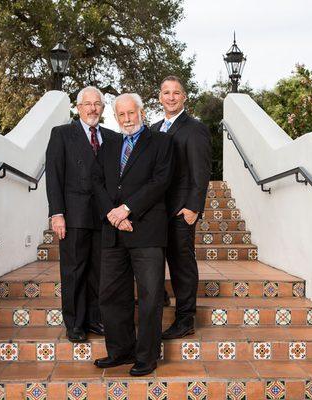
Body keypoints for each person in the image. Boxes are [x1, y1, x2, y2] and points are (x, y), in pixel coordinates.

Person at [92, 93, 173, 376]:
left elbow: (160, 181)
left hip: (147, 231)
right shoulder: (109, 145)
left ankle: (147, 357)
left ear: (142, 112)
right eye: (121, 115)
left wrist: (127, 209)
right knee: (111, 295)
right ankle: (120, 351)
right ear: (115, 117)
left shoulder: (161, 142)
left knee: (150, 296)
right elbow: (97, 182)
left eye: (131, 113)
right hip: (114, 233)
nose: (127, 119)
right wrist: (114, 217)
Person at [45, 86, 117, 343]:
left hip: (103, 216)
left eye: (97, 104)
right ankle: (74, 323)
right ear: (78, 107)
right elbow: (54, 176)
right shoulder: (62, 134)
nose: (92, 109)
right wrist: (57, 214)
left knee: (99, 271)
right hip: (73, 216)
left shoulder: (112, 137)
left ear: (103, 108)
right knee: (74, 270)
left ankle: (95, 319)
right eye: (87, 104)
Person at [150, 76, 212, 339]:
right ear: (160, 97)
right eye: (166, 92)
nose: (171, 97)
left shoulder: (194, 129)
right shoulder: (153, 129)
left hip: (180, 211)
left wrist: (193, 208)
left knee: (181, 264)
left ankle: (185, 319)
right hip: (155, 210)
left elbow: (201, 171)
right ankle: (160, 298)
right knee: (154, 259)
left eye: (176, 93)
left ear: (184, 97)